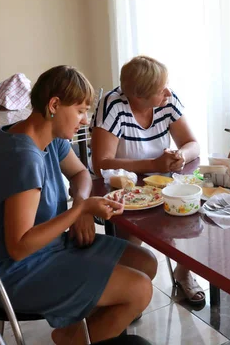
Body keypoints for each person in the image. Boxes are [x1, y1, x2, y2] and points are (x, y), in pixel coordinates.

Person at [0, 66, 158, 345]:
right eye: (81, 110)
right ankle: (73, 338)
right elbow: (19, 247)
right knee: (139, 289)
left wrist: (81, 202)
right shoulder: (22, 158)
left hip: (51, 247)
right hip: (15, 273)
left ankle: (83, 330)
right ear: (55, 105)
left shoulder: (45, 136)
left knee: (146, 262)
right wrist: (78, 212)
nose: (85, 121)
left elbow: (81, 173)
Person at [90, 55, 205, 306]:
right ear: (138, 97)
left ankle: (183, 272)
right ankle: (128, 292)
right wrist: (154, 164)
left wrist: (180, 156)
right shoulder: (113, 105)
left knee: (193, 214)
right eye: (160, 90)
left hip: (162, 179)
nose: (167, 92)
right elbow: (102, 164)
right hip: (125, 185)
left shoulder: (167, 99)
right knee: (134, 234)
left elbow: (192, 144)